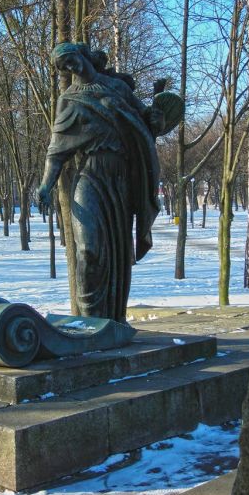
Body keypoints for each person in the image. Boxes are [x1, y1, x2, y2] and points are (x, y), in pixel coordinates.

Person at [38, 42, 183, 323]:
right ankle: (90, 322)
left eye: (70, 59)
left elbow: (144, 126)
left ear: (82, 55)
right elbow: (56, 151)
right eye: (62, 66)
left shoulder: (118, 89)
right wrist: (46, 185)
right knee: (88, 250)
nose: (70, 67)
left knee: (117, 253)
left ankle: (113, 321)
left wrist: (156, 117)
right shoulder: (68, 100)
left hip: (120, 179)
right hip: (89, 177)